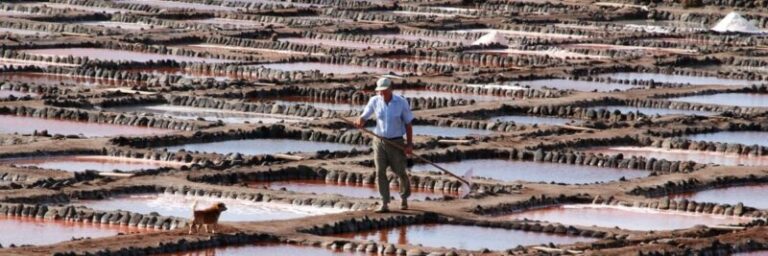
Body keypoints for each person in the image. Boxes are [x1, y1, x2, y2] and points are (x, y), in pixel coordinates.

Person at [354, 77, 414, 213]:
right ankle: (384, 202)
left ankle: (404, 197)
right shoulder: (374, 101)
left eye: (383, 90)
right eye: (379, 91)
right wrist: (360, 120)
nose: (381, 93)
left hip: (396, 142)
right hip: (379, 141)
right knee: (380, 171)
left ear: (390, 88)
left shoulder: (401, 102)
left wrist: (409, 144)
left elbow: (408, 124)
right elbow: (365, 115)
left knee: (400, 171)